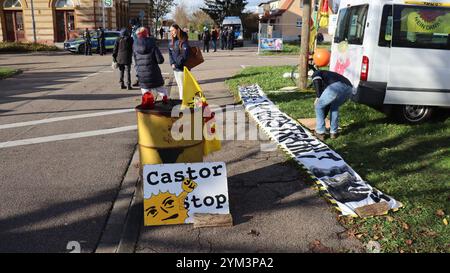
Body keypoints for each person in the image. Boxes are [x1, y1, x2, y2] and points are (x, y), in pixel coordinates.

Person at [311, 65, 354, 140]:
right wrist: (323, 115)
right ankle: (333, 132)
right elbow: (327, 105)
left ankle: (320, 132)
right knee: (334, 107)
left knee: (318, 106)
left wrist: (318, 98)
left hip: (336, 87)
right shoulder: (328, 76)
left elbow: (317, 81)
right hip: (349, 89)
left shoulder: (317, 73)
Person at [134, 27, 168, 102]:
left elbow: (135, 62)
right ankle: (165, 107)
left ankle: (147, 111)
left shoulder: (135, 44)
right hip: (154, 73)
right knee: (162, 92)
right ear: (147, 34)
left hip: (142, 74)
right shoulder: (152, 43)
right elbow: (160, 60)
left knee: (146, 96)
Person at [168, 24, 190, 100]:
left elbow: (184, 56)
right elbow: (170, 54)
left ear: (178, 30)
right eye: (170, 31)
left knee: (182, 86)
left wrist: (176, 65)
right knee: (180, 85)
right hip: (175, 68)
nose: (171, 32)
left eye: (173, 30)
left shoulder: (183, 41)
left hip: (182, 68)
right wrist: (172, 63)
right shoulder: (171, 42)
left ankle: (183, 102)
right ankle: (184, 101)